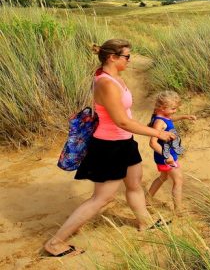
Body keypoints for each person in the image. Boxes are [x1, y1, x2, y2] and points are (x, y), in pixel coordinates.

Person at [44, 39, 176, 258]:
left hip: (125, 142)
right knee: (102, 198)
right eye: (127, 56)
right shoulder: (105, 83)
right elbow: (121, 121)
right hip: (108, 146)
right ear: (112, 57)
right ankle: (55, 242)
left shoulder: (115, 77)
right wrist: (158, 133)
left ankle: (144, 222)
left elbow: (125, 122)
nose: (130, 60)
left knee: (134, 185)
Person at [147, 91, 196, 214]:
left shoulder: (163, 117)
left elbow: (169, 119)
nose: (175, 111)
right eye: (173, 108)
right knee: (178, 180)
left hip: (167, 155)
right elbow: (153, 143)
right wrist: (167, 156)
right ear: (162, 107)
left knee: (163, 177)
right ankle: (178, 210)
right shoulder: (159, 122)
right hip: (166, 157)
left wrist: (184, 116)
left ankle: (147, 199)